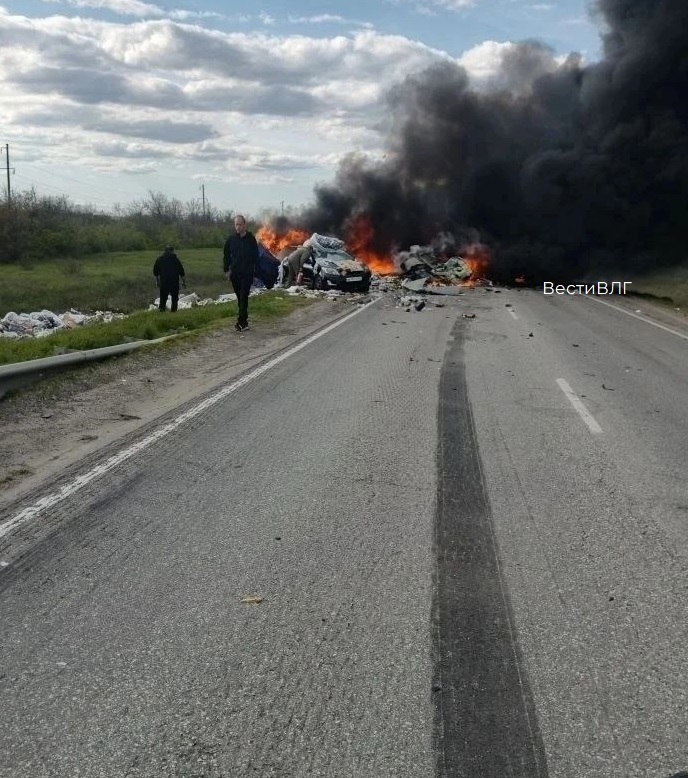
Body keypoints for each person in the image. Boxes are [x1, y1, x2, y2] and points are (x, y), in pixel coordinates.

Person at [223, 215, 259, 331]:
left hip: (247, 273)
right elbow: (226, 256)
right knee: (240, 298)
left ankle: (240, 322)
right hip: (235, 274)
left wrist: (255, 273)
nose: (238, 227)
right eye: (236, 224)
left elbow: (256, 257)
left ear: (244, 224)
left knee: (244, 296)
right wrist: (227, 270)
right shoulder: (231, 240)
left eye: (240, 224)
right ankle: (244, 321)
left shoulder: (251, 239)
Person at [153, 245, 186, 312]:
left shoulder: (160, 259)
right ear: (172, 251)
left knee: (163, 299)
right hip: (174, 283)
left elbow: (155, 272)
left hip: (164, 283)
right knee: (174, 300)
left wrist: (157, 281)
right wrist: (184, 282)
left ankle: (162, 312)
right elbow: (182, 272)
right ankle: (173, 313)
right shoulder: (175, 260)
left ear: (164, 251)